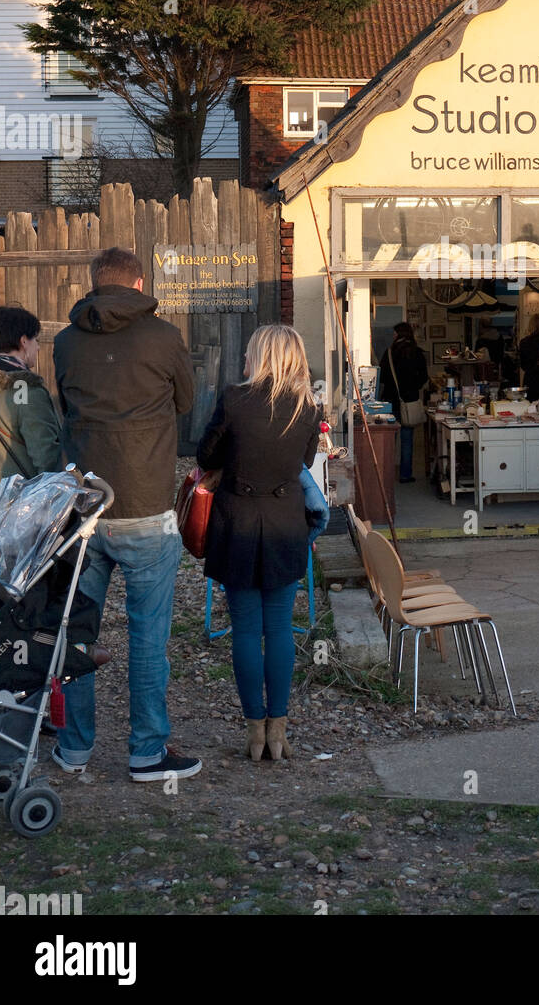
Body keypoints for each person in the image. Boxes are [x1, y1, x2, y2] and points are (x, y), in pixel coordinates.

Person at [52, 247, 199, 782]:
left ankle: (73, 749)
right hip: (145, 505)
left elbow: (67, 408)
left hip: (85, 509)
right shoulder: (165, 337)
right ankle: (146, 752)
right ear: (139, 284)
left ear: (95, 283)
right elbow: (186, 403)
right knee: (148, 637)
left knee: (76, 632)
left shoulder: (66, 342)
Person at [198, 325, 322, 761]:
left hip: (237, 523)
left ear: (260, 355)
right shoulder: (307, 406)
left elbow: (205, 455)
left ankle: (254, 731)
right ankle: (278, 729)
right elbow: (305, 460)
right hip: (286, 522)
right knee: (280, 628)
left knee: (247, 630)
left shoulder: (235, 399)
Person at [0, 306, 62, 502]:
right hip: (12, 507)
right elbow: (46, 459)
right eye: (36, 339)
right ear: (24, 341)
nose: (38, 347)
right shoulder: (27, 390)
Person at [379, 322, 428, 484]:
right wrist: (413, 388)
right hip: (409, 401)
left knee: (389, 439)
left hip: (391, 400)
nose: (393, 336)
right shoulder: (417, 352)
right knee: (407, 439)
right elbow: (424, 377)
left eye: (394, 333)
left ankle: (387, 475)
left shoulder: (389, 353)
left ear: (399, 334)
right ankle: (405, 475)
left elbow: (382, 377)